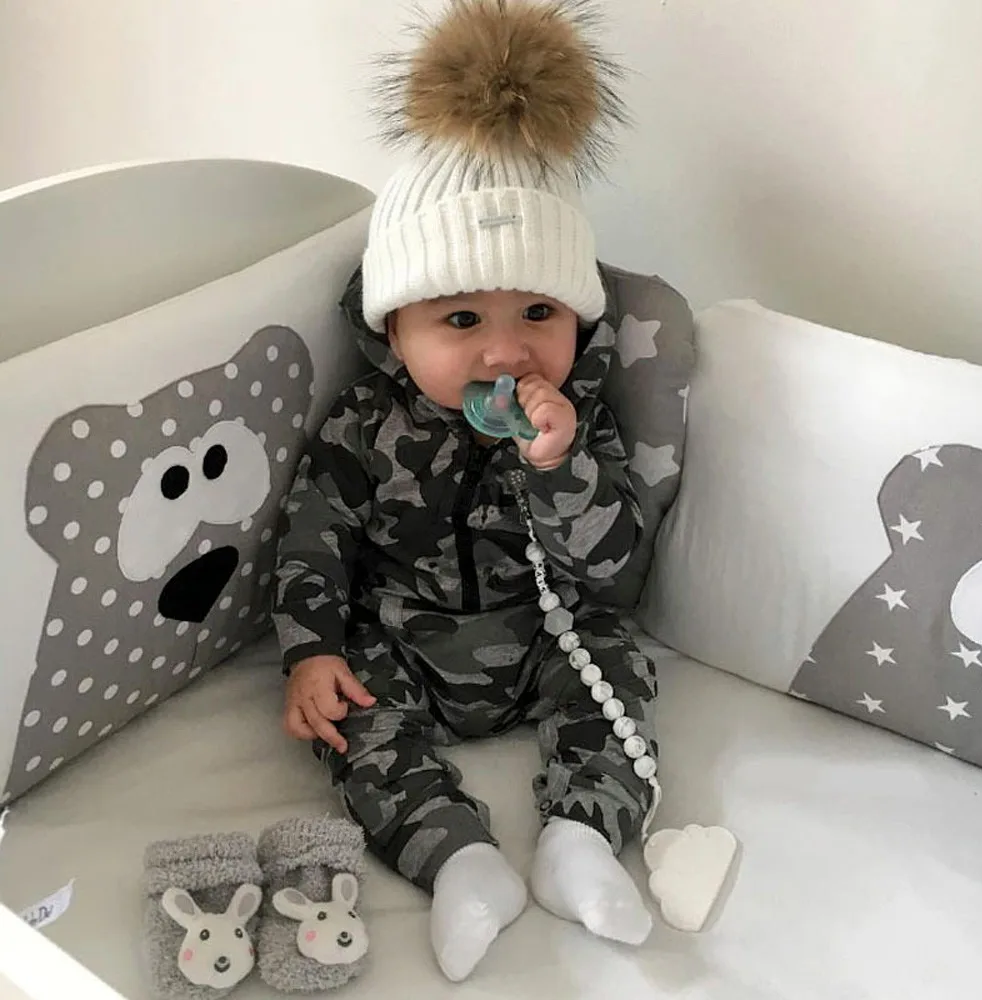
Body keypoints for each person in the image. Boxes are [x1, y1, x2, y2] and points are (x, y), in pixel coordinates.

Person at [273, 0, 658, 982]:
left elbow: (616, 572)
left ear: (577, 320)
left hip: (548, 634)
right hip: (405, 640)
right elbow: (314, 540)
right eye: (460, 319)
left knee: (617, 672)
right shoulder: (364, 424)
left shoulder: (580, 419)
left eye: (538, 312)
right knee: (354, 720)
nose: (504, 351)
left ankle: (582, 836)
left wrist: (560, 467)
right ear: (393, 329)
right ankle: (458, 860)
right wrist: (311, 650)